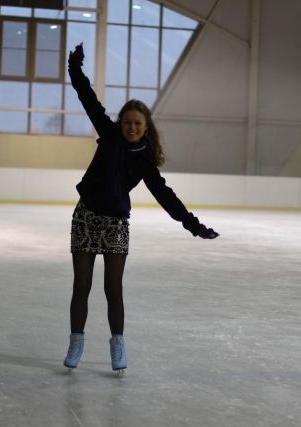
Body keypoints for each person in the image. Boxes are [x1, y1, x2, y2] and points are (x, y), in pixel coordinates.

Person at [63, 43, 219, 374]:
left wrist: (193, 225)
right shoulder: (109, 135)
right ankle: (76, 342)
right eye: (127, 123)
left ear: (146, 127)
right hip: (86, 216)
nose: (132, 127)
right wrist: (75, 68)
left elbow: (164, 194)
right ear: (120, 124)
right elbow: (87, 98)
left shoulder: (145, 159)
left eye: (137, 124)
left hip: (116, 223)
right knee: (81, 285)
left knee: (113, 288)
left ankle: (117, 344)